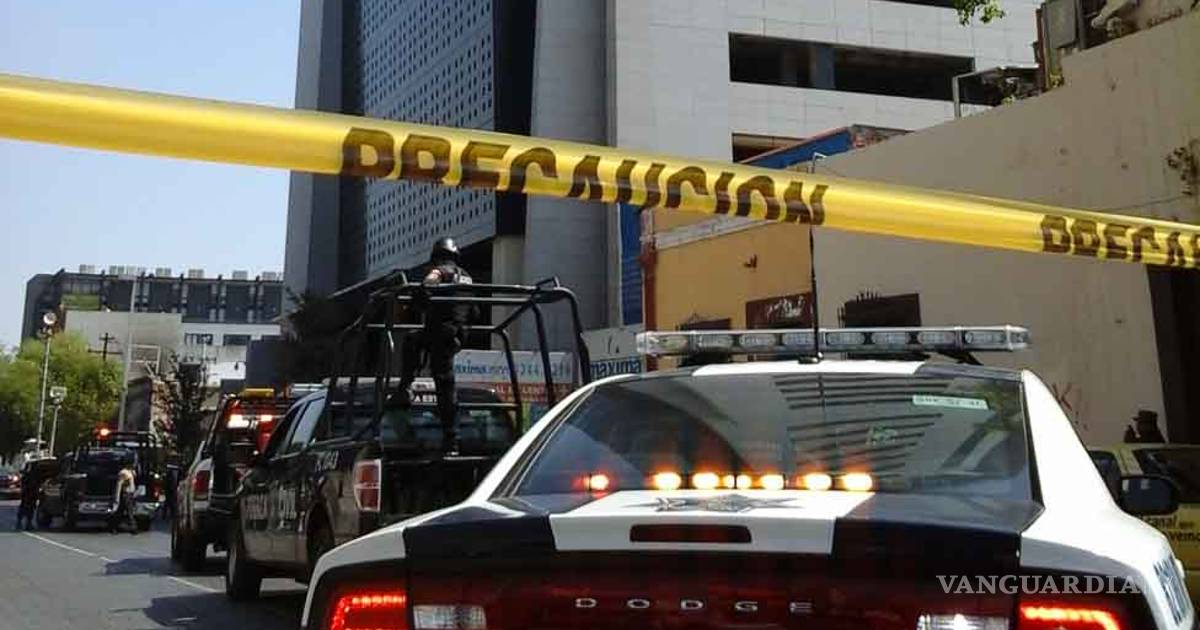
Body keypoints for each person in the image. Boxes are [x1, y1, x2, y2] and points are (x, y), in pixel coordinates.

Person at [397, 237, 474, 454]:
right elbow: (474, 310)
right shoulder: (467, 277)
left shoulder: (440, 271)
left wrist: (419, 298)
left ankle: (406, 388)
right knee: (417, 343)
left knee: (444, 383)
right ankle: (451, 436)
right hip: (458, 334)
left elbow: (429, 283)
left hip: (440, 333)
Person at [110, 458, 138, 535]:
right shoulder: (123, 473)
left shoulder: (130, 472)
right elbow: (119, 485)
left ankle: (114, 527)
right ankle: (133, 528)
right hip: (126, 494)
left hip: (130, 494)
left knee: (121, 511)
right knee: (129, 511)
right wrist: (117, 497)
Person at [15, 460, 40, 531]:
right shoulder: (30, 475)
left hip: (29, 494)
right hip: (28, 494)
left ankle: (25, 523)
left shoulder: (31, 475)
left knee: (28, 508)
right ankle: (23, 523)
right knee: (27, 508)